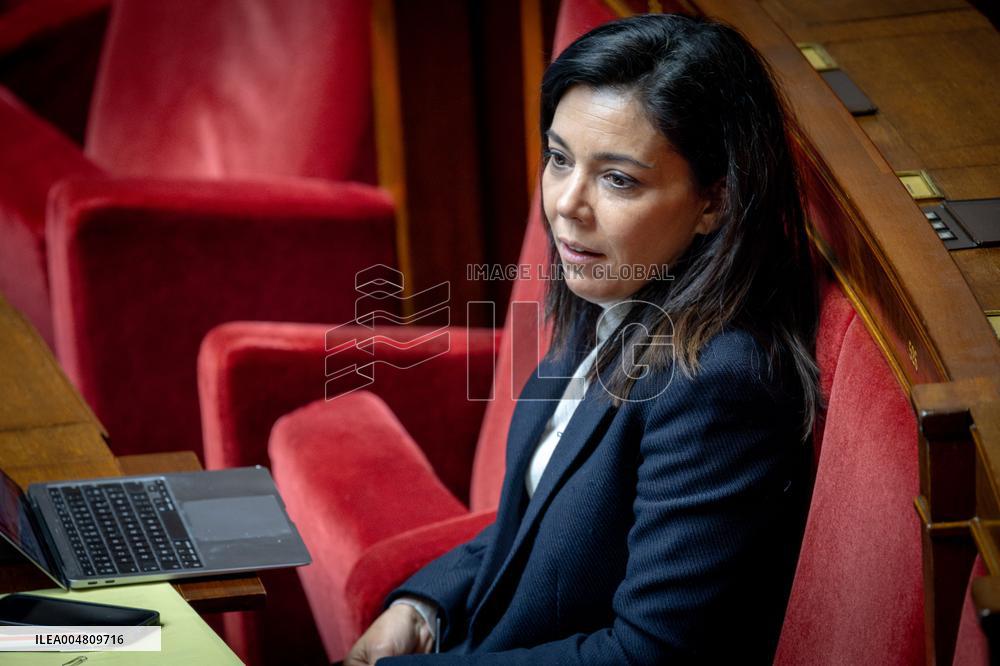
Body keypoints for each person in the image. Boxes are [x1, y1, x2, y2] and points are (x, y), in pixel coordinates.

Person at [346, 12, 820, 665]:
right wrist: (421, 608)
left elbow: (648, 654)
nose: (568, 203)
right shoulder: (609, 290)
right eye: (560, 159)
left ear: (714, 201)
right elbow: (535, 521)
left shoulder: (718, 384)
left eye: (618, 178)